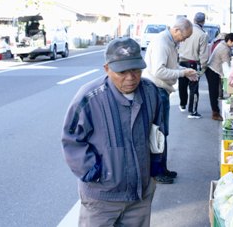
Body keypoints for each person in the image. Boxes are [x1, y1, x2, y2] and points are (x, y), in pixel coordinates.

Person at [61, 37, 164, 226]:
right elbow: (71, 139)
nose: (131, 77)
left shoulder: (150, 91)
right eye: (122, 71)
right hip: (102, 198)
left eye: (135, 69)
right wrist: (93, 173)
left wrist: (155, 167)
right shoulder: (89, 97)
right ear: (107, 69)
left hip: (140, 194)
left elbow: (157, 132)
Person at [142, 17, 198, 184]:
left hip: (161, 90)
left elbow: (171, 67)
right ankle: (157, 171)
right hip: (156, 90)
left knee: (162, 131)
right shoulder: (162, 43)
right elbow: (159, 71)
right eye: (185, 36)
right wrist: (182, 73)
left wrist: (185, 70)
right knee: (159, 132)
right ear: (176, 30)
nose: (185, 40)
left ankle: (162, 168)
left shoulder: (170, 42)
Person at [178, 12, 209, 119]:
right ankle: (192, 111)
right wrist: (204, 66)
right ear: (203, 21)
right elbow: (203, 53)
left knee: (182, 85)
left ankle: (182, 104)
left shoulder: (186, 30)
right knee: (193, 88)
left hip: (181, 60)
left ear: (194, 20)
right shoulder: (202, 34)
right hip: (193, 63)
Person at [205, 32, 233, 121]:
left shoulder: (222, 44)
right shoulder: (225, 49)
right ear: (230, 41)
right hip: (213, 70)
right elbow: (226, 64)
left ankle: (215, 111)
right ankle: (215, 113)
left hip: (211, 69)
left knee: (214, 92)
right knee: (214, 93)